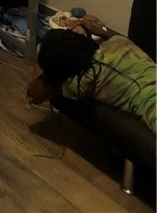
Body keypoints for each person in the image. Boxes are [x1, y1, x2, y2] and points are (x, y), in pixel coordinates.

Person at [27, 16, 156, 134]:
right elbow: (114, 36)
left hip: (150, 103)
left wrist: (48, 67)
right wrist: (97, 31)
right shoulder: (119, 42)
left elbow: (34, 92)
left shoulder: (80, 83)